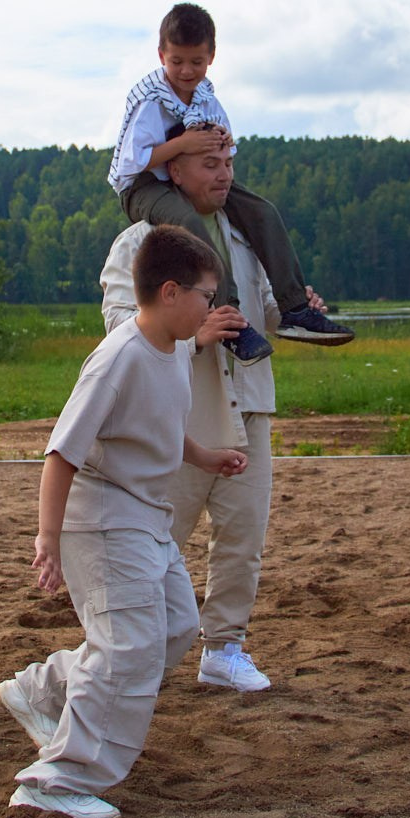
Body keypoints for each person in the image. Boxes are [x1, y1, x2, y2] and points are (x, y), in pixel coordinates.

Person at [0, 225, 248, 818]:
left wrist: (205, 456)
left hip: (145, 516)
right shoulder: (118, 360)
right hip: (103, 521)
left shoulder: (175, 349)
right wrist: (48, 539)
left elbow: (154, 426)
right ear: (169, 292)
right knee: (129, 646)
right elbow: (62, 453)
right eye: (206, 296)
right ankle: (56, 782)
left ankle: (43, 690)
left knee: (177, 626)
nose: (211, 307)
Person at [99, 140, 308, 694]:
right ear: (174, 172)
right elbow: (118, 324)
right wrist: (192, 335)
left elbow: (259, 308)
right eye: (210, 165)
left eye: (230, 165)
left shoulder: (245, 237)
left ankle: (224, 650)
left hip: (251, 407)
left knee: (244, 538)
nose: (224, 176)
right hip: (179, 416)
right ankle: (130, 648)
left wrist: (292, 310)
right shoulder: (140, 243)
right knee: (155, 538)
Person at [107, 1, 353, 363]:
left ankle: (296, 309)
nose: (186, 71)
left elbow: (227, 143)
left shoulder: (208, 98)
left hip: (191, 176)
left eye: (196, 62)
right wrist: (183, 145)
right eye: (176, 62)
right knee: (188, 222)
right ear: (161, 55)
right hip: (144, 184)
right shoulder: (149, 99)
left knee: (263, 212)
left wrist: (217, 144)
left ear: (212, 57)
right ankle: (229, 316)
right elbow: (134, 160)